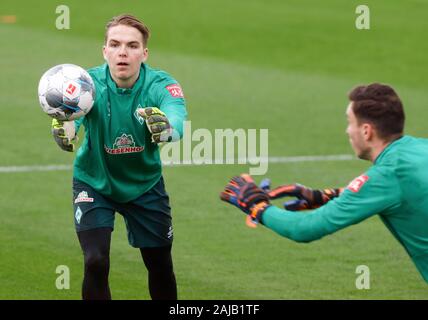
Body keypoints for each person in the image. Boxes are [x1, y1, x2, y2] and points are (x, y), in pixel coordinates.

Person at [220, 83, 428, 283]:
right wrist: (330, 196)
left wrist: (257, 207)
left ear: (366, 131)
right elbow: (410, 190)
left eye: (349, 122)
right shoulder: (421, 148)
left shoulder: (386, 175)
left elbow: (304, 229)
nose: (347, 131)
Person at [51, 14, 187, 299]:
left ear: (144, 53)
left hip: (145, 186)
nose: (123, 52)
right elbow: (71, 114)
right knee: (95, 261)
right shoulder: (86, 83)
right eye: (115, 44)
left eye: (132, 45)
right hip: (94, 183)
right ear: (105, 51)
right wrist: (66, 129)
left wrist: (166, 128)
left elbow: (176, 120)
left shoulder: (161, 85)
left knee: (160, 264)